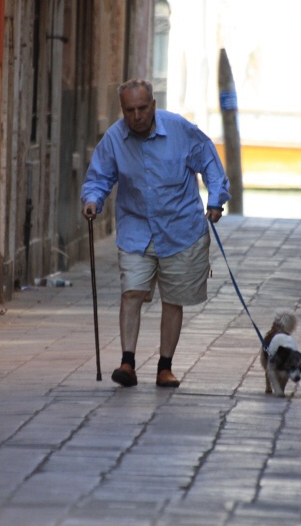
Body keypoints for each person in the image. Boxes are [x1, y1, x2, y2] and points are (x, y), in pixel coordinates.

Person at [81, 79, 230, 388]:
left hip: (181, 229)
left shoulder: (180, 130)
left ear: (153, 105)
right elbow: (99, 176)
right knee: (131, 293)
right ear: (122, 109)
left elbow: (210, 164)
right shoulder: (114, 139)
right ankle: (128, 363)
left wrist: (216, 200)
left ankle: (165, 367)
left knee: (173, 300)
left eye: (142, 108)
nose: (136, 116)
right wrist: (93, 200)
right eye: (129, 110)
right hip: (136, 229)